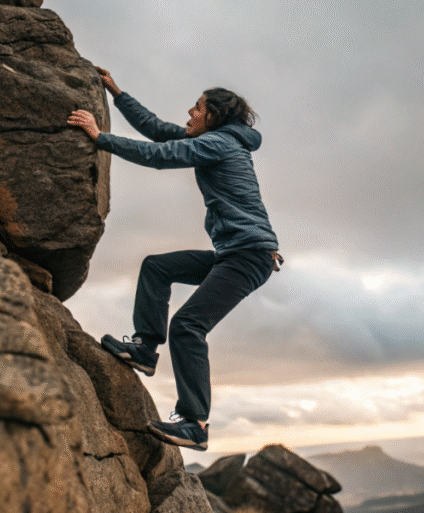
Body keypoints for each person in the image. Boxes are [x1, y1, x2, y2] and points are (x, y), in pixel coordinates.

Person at [67, 67, 281, 451]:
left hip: (248, 255)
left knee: (187, 326)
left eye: (196, 109)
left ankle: (196, 423)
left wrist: (101, 139)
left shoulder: (220, 144)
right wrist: (117, 92)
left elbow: (160, 155)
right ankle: (146, 349)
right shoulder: (214, 138)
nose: (189, 114)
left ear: (213, 115)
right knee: (157, 266)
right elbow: (158, 130)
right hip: (236, 252)